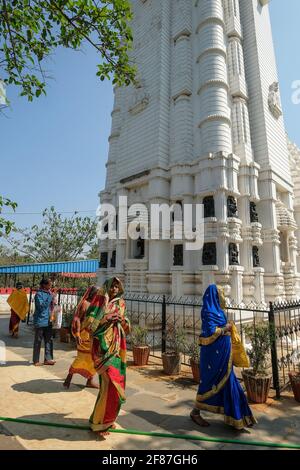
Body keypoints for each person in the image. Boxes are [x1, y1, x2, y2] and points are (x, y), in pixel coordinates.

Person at [190, 284, 257, 430]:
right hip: (213, 355)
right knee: (209, 383)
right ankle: (195, 412)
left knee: (229, 381)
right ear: (213, 295)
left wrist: (227, 327)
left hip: (224, 354)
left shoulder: (219, 311)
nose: (222, 296)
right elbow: (209, 332)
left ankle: (239, 416)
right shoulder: (208, 311)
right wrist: (225, 328)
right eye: (220, 293)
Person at [84, 277, 130, 438]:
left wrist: (122, 320)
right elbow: (89, 326)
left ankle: (108, 420)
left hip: (117, 349)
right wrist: (106, 319)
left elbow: (127, 326)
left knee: (115, 386)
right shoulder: (99, 303)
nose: (115, 289)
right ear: (107, 287)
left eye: (117, 287)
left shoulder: (121, 304)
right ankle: (98, 422)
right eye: (112, 286)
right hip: (101, 349)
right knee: (107, 385)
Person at [63, 286, 99, 389]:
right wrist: (78, 334)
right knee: (81, 358)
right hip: (83, 335)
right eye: (97, 293)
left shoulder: (97, 305)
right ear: (92, 293)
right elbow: (77, 318)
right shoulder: (85, 304)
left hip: (93, 335)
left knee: (94, 359)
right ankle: (69, 377)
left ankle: (90, 380)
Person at [32, 278, 55, 366]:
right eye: (49, 284)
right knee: (38, 341)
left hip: (49, 320)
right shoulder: (39, 294)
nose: (51, 286)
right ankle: (36, 360)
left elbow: (50, 306)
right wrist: (50, 297)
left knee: (49, 340)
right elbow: (42, 307)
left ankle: (48, 359)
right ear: (44, 285)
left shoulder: (49, 293)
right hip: (40, 320)